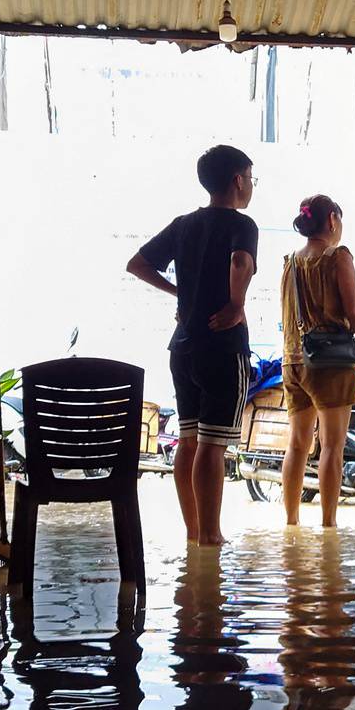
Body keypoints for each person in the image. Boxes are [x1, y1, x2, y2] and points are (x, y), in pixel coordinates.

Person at [125, 145, 258, 547]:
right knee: (213, 445)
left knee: (188, 439)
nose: (251, 185)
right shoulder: (243, 224)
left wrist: (181, 295)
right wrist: (236, 304)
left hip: (182, 348)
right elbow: (239, 262)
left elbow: (138, 263)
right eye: (250, 177)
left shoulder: (183, 224)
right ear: (237, 180)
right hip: (221, 345)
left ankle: (194, 531)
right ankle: (212, 534)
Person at [279, 195, 355, 529]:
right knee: (332, 447)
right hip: (330, 364)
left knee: (297, 445)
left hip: (293, 362)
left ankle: (292, 522)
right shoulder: (337, 257)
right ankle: (328, 525)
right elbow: (354, 312)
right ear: (333, 220)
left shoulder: (290, 262)